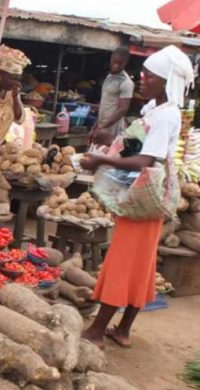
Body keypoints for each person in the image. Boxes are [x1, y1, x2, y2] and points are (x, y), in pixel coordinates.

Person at [81, 45, 194, 349]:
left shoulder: (166, 115)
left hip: (145, 199)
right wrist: (109, 141)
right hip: (145, 197)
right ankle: (123, 330)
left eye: (150, 76)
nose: (142, 79)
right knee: (141, 263)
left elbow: (145, 161)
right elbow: (139, 148)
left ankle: (97, 331)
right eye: (143, 74)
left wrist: (101, 160)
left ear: (167, 81)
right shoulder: (156, 109)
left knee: (124, 261)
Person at [91, 46, 134, 144]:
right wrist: (95, 126)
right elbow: (105, 104)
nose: (116, 66)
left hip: (113, 130)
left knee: (108, 151)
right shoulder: (109, 77)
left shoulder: (126, 82)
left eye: (120, 63)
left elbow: (122, 109)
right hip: (102, 125)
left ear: (125, 63)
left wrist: (102, 127)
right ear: (111, 58)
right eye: (114, 62)